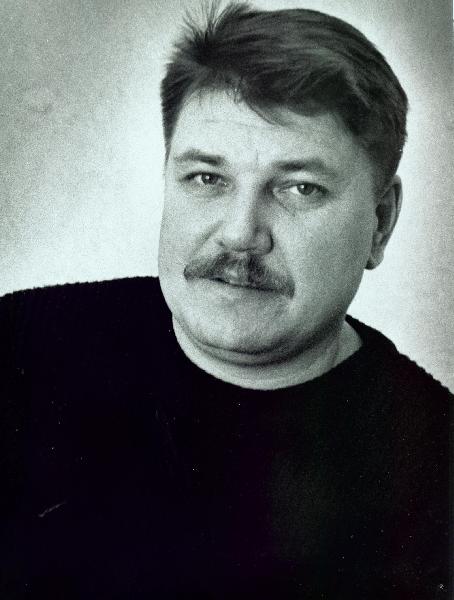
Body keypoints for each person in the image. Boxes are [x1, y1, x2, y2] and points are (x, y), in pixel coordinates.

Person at [0, 3, 451, 598]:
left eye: (300, 188)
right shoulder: (18, 343)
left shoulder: (436, 474)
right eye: (207, 178)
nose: (240, 234)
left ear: (381, 222)